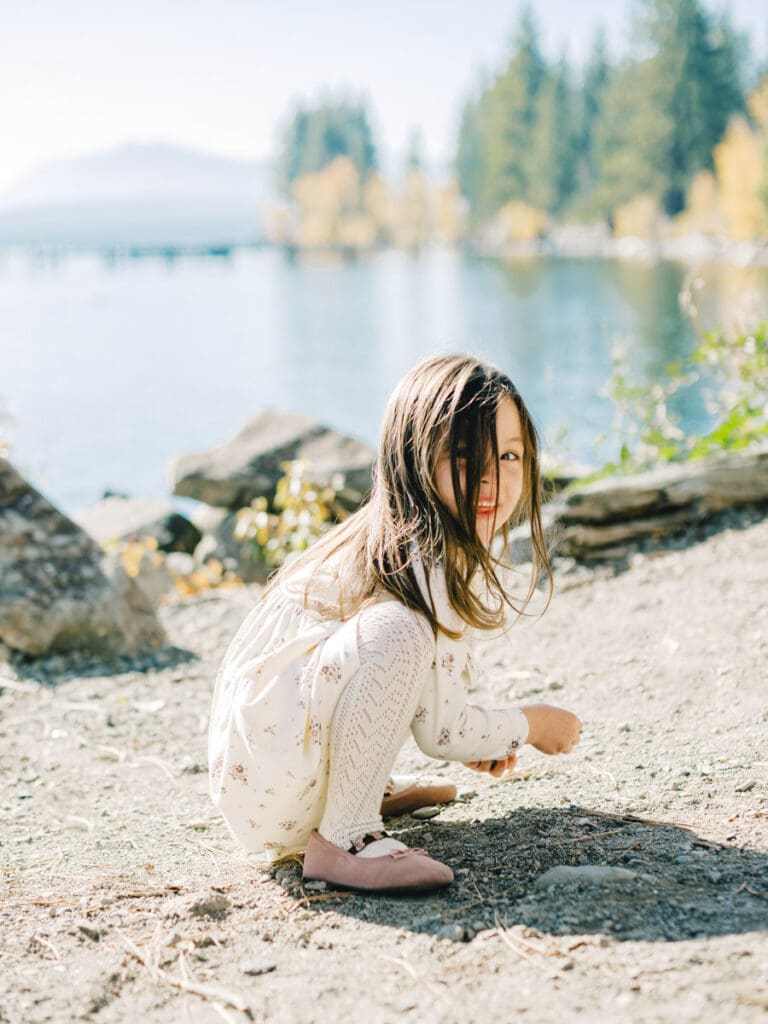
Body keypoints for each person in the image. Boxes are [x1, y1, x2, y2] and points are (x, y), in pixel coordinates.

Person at [209, 355, 581, 894]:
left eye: (508, 454)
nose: (490, 477)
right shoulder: (424, 554)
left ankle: (359, 789)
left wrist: (474, 732)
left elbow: (422, 700)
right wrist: (534, 724)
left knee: (395, 638)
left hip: (266, 780)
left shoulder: (409, 539)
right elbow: (443, 731)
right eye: (462, 454)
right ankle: (348, 838)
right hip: (272, 784)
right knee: (398, 633)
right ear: (412, 460)